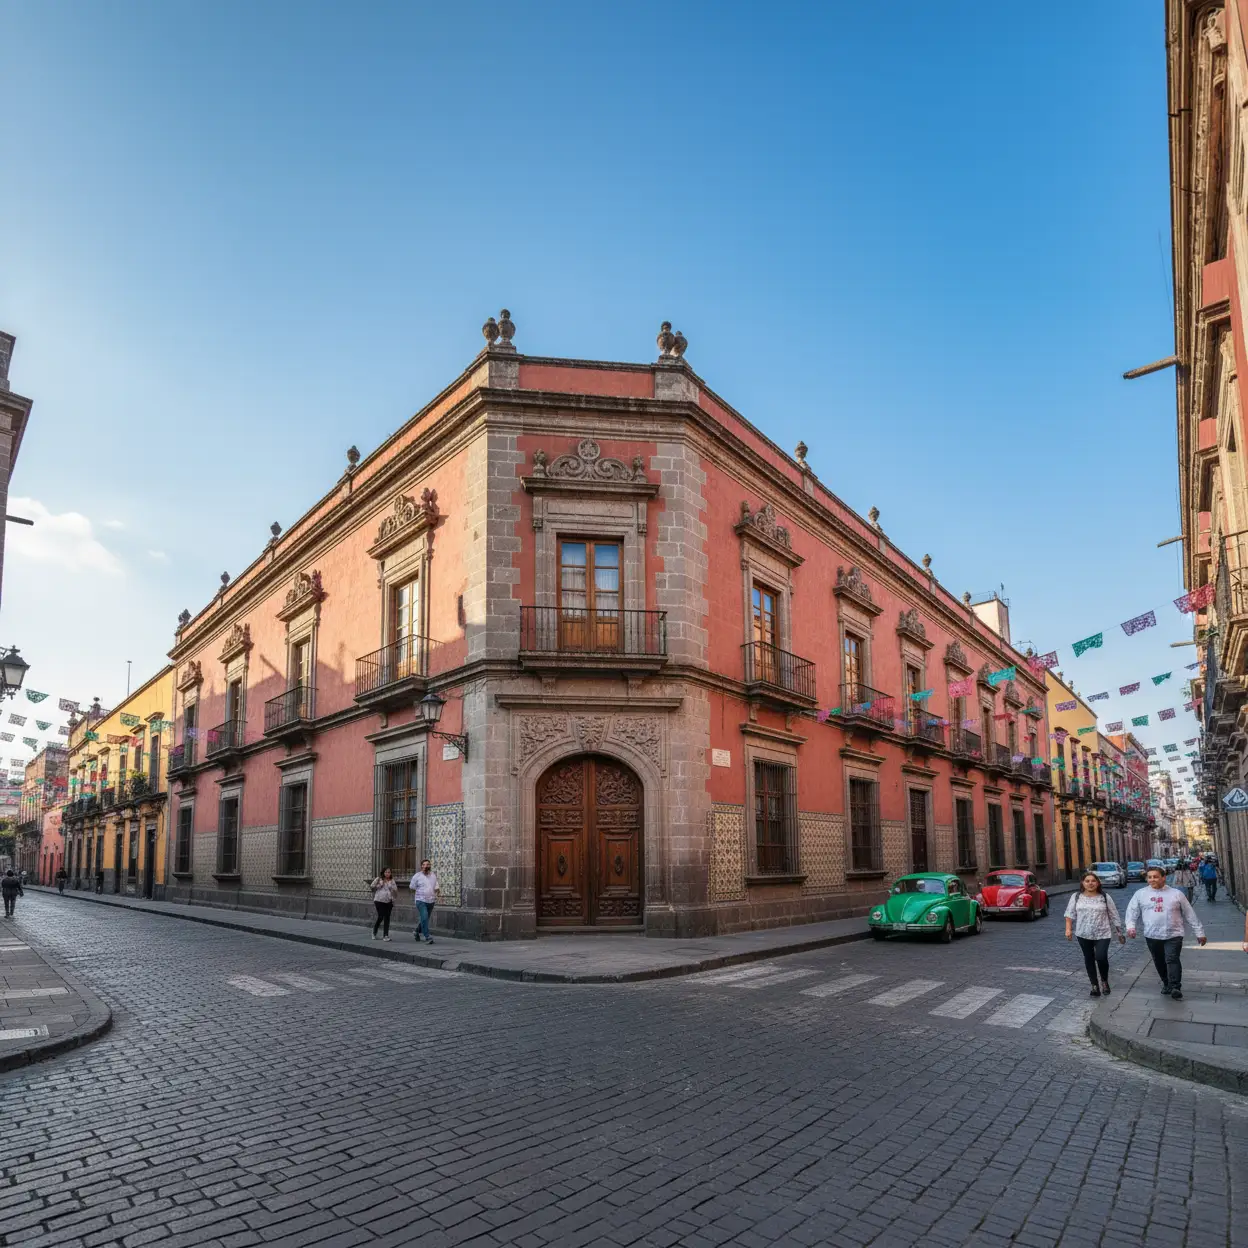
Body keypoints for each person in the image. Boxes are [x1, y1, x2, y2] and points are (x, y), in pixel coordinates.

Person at [1125, 865, 1207, 1001]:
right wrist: (1130, 927)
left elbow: (1189, 913)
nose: (1152, 879)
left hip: (1174, 934)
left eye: (1155, 877)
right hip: (1152, 934)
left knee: (1172, 958)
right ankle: (1166, 983)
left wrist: (1200, 932)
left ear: (1163, 878)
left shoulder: (1176, 894)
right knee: (1159, 960)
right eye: (1149, 877)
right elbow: (1132, 911)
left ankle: (1175, 986)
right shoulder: (1140, 894)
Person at [1064, 871, 1125, 997]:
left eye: (1093, 881)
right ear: (1083, 883)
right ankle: (1094, 985)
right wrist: (1068, 929)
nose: (1090, 883)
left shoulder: (1105, 897)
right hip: (1083, 933)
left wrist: (1119, 933)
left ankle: (1104, 981)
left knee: (1101, 957)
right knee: (1089, 958)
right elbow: (1069, 914)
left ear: (1098, 883)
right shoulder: (1076, 897)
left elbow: (1114, 915)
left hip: (1103, 933)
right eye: (1087, 881)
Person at [409, 859, 440, 944]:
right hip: (420, 900)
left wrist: (437, 893)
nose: (426, 866)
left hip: (431, 900)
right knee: (425, 917)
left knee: (425, 918)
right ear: (421, 866)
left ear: (430, 866)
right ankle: (427, 937)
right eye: (424, 864)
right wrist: (419, 894)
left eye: (428, 864)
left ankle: (416, 931)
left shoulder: (433, 875)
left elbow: (436, 887)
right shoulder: (417, 876)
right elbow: (412, 887)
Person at [369, 867, 399, 941]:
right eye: (386, 872)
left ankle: (385, 936)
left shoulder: (392, 881)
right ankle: (374, 931)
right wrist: (379, 885)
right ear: (383, 872)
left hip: (389, 901)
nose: (387, 874)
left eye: (389, 872)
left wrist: (393, 889)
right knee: (381, 916)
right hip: (379, 900)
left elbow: (396, 891)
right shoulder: (379, 879)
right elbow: (372, 887)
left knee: (387, 918)